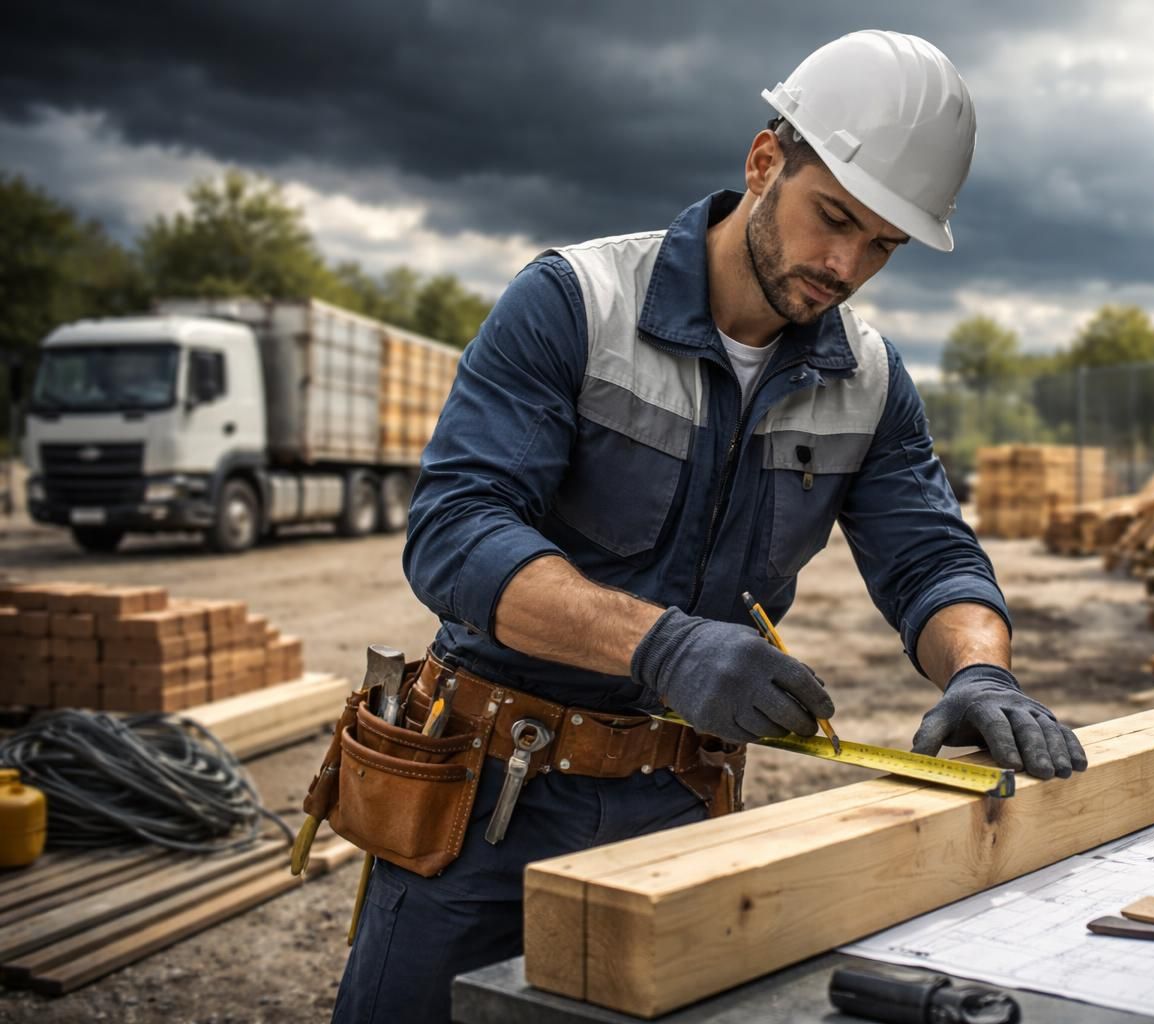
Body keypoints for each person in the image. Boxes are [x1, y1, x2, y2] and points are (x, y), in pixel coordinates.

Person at [332, 29, 1087, 1023]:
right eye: (834, 219)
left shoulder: (869, 380)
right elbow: (456, 534)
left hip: (679, 801)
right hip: (488, 792)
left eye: (882, 245)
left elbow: (930, 556)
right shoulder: (573, 304)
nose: (847, 263)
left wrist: (979, 665)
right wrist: (659, 643)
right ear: (765, 160)